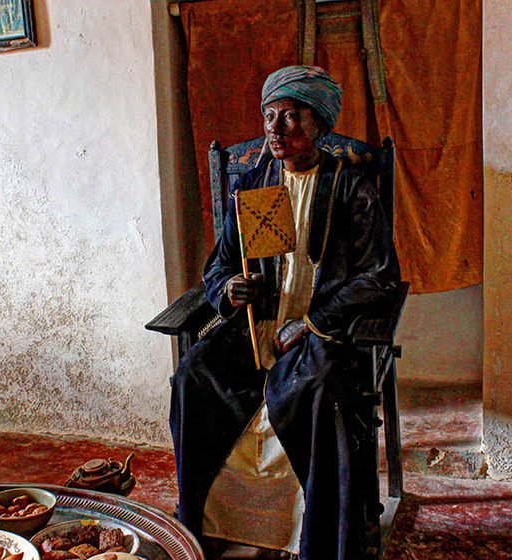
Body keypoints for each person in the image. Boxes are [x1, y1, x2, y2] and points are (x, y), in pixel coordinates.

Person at [169, 65, 401, 560]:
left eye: (291, 118)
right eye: (270, 117)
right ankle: (206, 524)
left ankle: (309, 538)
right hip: (255, 328)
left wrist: (312, 323)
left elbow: (378, 276)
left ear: (319, 124)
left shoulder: (351, 188)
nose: (275, 130)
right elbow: (220, 266)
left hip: (320, 330)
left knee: (314, 392)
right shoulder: (253, 187)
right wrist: (229, 289)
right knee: (193, 375)